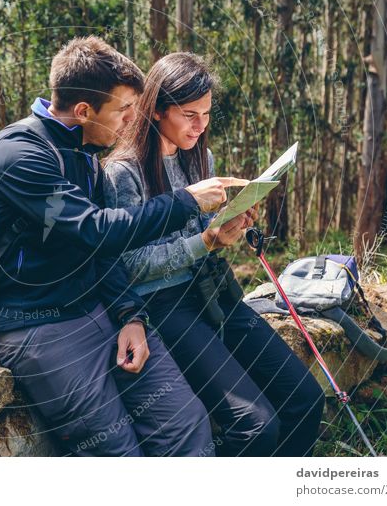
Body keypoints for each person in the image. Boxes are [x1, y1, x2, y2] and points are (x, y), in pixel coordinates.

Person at [0, 37, 244, 456]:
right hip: (38, 326)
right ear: (83, 111)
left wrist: (129, 316)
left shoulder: (84, 155)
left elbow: (100, 255)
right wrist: (185, 201)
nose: (132, 120)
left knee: (188, 427)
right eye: (123, 110)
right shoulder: (21, 155)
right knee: (116, 451)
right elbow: (97, 232)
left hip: (99, 311)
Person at [103, 52, 325, 456]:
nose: (200, 125)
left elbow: (201, 235)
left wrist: (225, 229)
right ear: (155, 110)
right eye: (189, 114)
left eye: (206, 114)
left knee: (306, 399)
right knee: (255, 427)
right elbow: (130, 267)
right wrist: (203, 242)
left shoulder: (200, 158)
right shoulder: (123, 173)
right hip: (164, 306)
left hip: (212, 290)